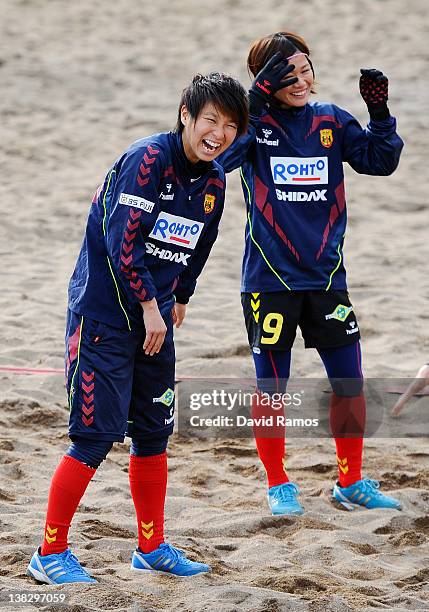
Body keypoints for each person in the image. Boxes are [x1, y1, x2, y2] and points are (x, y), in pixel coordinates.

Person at [27, 73, 248, 584]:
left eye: (230, 125)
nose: (217, 132)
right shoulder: (148, 160)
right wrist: (151, 304)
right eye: (210, 119)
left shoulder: (214, 180)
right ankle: (49, 552)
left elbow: (201, 244)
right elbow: (122, 241)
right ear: (186, 115)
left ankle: (151, 545)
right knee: (94, 437)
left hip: (155, 323)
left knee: (153, 435)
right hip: (104, 317)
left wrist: (182, 296)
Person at [219, 31, 404, 515]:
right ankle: (279, 483)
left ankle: (350, 481)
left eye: (304, 69)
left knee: (349, 382)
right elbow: (214, 165)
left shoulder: (331, 120)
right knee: (272, 389)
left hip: (326, 280)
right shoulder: (251, 127)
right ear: (264, 80)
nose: (299, 81)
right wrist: (253, 106)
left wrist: (380, 116)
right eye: (286, 73)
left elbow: (381, 161)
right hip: (270, 281)